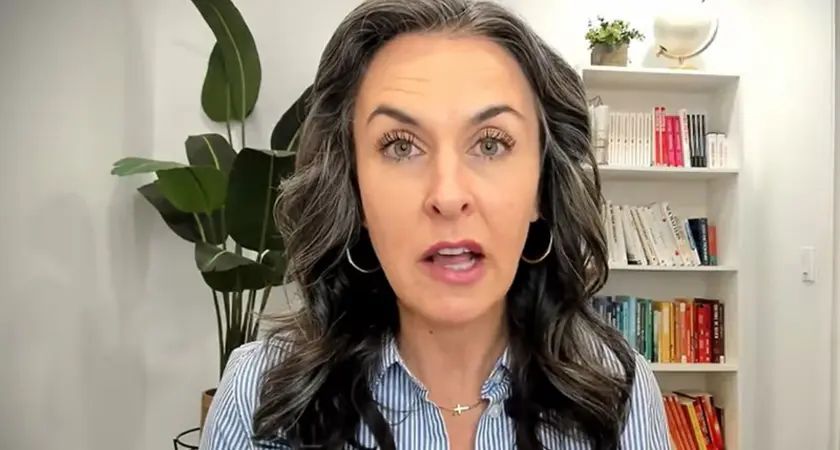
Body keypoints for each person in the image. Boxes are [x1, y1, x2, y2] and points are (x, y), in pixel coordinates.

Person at [200, 0, 670, 449]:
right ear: (355, 188)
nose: (447, 196)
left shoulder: (617, 392)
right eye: (401, 146)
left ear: (541, 190)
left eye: (490, 145)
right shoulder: (256, 396)